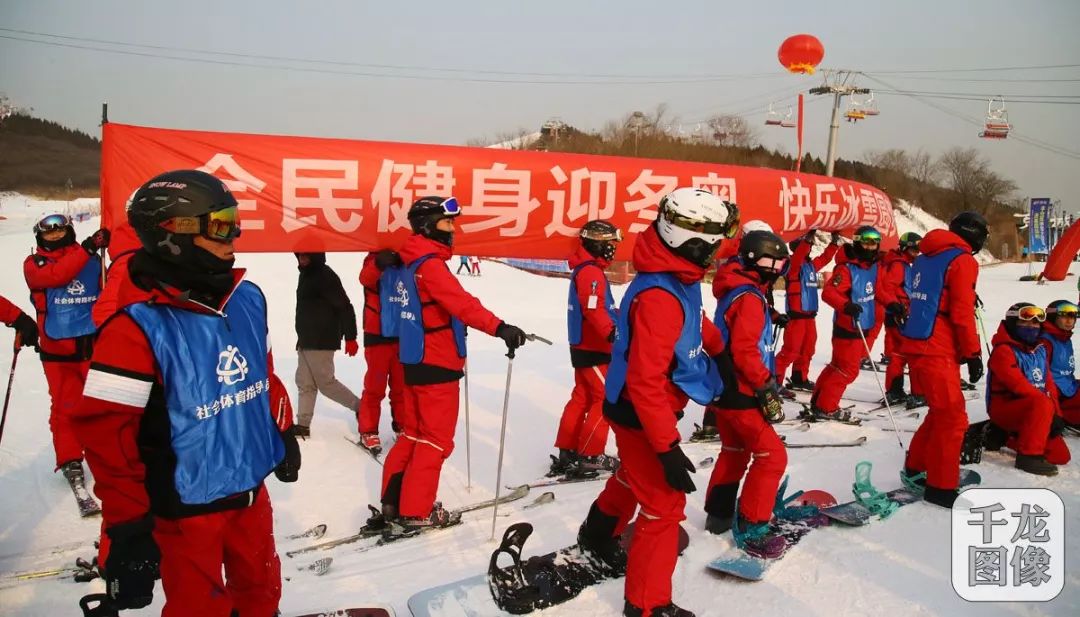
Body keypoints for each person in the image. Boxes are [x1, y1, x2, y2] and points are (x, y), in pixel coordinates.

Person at [73, 170, 300, 616]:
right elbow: (107, 440)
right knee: (199, 607)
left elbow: (262, 377)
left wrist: (282, 431)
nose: (233, 234)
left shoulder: (247, 298)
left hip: (249, 490)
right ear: (173, 234)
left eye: (234, 220)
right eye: (219, 224)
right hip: (186, 505)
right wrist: (127, 525)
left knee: (261, 590)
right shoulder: (135, 327)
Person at [576, 187, 737, 617]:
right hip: (641, 413)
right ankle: (647, 606)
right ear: (688, 236)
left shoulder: (675, 277)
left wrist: (722, 352)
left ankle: (597, 533)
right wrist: (666, 447)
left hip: (642, 409)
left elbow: (696, 322)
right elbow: (647, 382)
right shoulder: (659, 295)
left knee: (632, 475)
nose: (718, 250)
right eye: (713, 240)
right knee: (664, 508)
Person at [377, 196, 528, 528]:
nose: (453, 230)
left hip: (415, 360)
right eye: (448, 223)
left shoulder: (408, 261)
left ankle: (394, 502)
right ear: (430, 226)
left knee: (414, 435)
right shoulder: (429, 265)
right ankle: (417, 510)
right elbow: (461, 303)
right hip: (437, 362)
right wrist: (500, 328)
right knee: (436, 440)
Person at [705, 230, 793, 557]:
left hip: (723, 388)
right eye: (776, 261)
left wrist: (770, 315)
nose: (780, 268)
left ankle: (719, 514)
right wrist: (765, 386)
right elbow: (744, 350)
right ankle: (754, 525)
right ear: (758, 261)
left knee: (735, 450)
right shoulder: (751, 297)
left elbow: (737, 328)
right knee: (772, 455)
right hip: (742, 389)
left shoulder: (737, 289)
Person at [899, 211, 987, 507]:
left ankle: (917, 466)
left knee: (939, 412)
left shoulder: (926, 256)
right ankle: (941, 486)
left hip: (919, 341)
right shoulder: (962, 261)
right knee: (952, 417)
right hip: (937, 346)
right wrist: (973, 353)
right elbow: (961, 314)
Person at [23, 213, 109, 481]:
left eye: (60, 231)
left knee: (102, 405)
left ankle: (107, 453)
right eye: (49, 233)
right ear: (40, 236)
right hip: (57, 351)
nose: (55, 236)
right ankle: (70, 457)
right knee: (65, 406)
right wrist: (88, 248)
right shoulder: (34, 265)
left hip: (93, 345)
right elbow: (58, 276)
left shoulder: (94, 260)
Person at [549, 220, 621, 476]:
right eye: (610, 243)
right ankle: (591, 454)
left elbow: (602, 307)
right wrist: (612, 332)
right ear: (597, 243)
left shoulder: (586, 270)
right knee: (605, 398)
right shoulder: (590, 272)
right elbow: (593, 309)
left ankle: (568, 449)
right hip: (594, 347)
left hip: (584, 345)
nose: (613, 248)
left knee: (582, 397)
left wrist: (620, 317)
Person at [807, 225, 895, 423]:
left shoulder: (873, 266)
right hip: (848, 327)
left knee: (837, 366)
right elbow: (829, 293)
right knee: (848, 370)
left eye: (874, 242)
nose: (870, 246)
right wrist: (846, 306)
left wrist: (893, 304)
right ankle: (827, 407)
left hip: (863, 325)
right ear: (857, 242)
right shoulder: (846, 269)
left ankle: (820, 401)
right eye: (866, 241)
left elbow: (878, 290)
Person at [985, 303, 1070, 475]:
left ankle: (1007, 436)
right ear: (1013, 323)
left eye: (1035, 323)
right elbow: (1018, 385)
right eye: (1025, 322)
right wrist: (1047, 408)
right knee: (1041, 402)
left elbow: (1049, 385)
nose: (1031, 327)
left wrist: (1057, 415)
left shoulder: (1040, 350)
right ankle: (1028, 457)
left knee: (1060, 456)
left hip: (1036, 409)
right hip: (1006, 408)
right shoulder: (1004, 350)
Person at [294, 251, 361, 439]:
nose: (302, 258)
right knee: (305, 383)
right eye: (299, 255)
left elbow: (344, 306)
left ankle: (361, 408)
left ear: (315, 255)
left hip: (322, 339)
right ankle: (303, 425)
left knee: (326, 383)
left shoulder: (325, 275)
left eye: (306, 255)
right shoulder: (305, 275)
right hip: (306, 339)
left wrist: (351, 336)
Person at [775, 229, 840, 391]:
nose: (809, 249)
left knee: (807, 350)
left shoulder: (811, 266)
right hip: (796, 318)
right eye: (806, 246)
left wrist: (834, 244)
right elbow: (798, 257)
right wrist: (807, 241)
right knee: (790, 351)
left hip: (810, 317)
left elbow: (825, 259)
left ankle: (799, 377)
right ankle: (774, 381)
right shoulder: (792, 266)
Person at [356, 249, 408, 452]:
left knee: (401, 386)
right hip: (377, 333)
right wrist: (378, 263)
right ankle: (368, 430)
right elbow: (365, 279)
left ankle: (402, 425)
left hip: (402, 332)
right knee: (374, 386)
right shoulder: (373, 258)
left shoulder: (406, 259)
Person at [880, 232, 923, 405]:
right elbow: (888, 287)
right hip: (899, 314)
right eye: (913, 250)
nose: (916, 254)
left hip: (898, 313)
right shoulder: (899, 265)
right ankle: (918, 392)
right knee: (911, 353)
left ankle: (894, 390)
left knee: (898, 354)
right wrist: (896, 306)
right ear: (905, 248)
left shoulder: (904, 264)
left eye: (917, 251)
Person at [1039, 300, 1080, 430]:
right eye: (1064, 316)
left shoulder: (1064, 338)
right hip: (1055, 395)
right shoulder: (1045, 342)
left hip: (1068, 388)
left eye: (1072, 317)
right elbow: (1040, 377)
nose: (1069, 321)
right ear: (1053, 317)